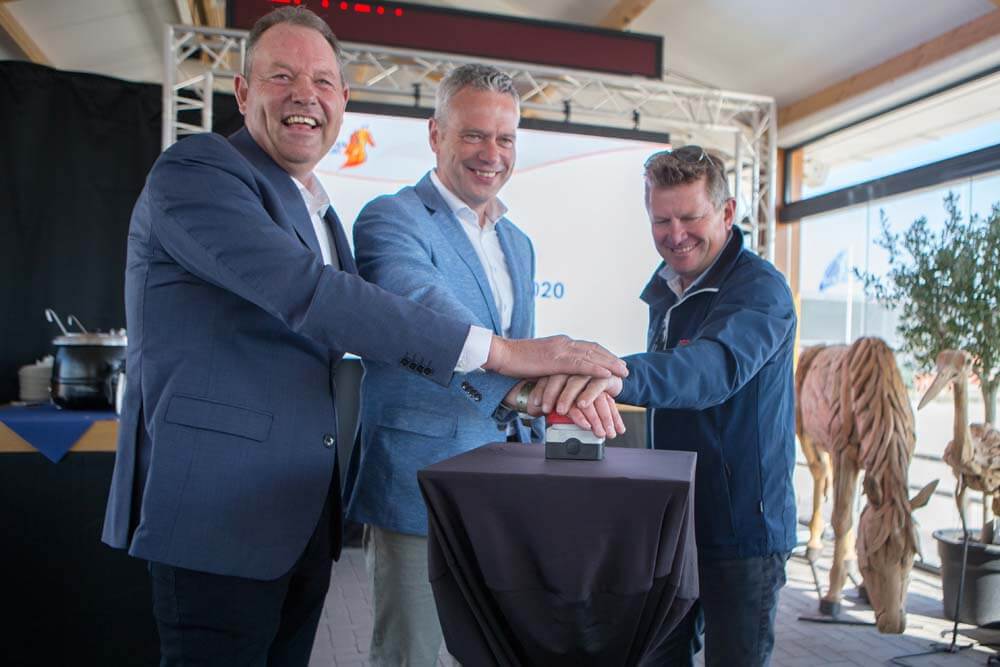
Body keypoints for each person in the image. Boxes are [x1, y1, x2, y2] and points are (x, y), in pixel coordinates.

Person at [100, 8, 626, 666]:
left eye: (323, 81)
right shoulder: (198, 171)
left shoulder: (318, 208)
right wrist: (512, 358)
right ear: (242, 91)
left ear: (344, 99)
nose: (305, 95)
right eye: (282, 76)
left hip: (302, 512)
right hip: (220, 514)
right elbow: (333, 297)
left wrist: (539, 394)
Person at [345, 63, 624, 666]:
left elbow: (525, 371)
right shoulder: (389, 217)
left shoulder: (518, 243)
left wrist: (557, 406)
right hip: (419, 485)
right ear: (435, 134)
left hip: (507, 491)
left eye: (505, 138)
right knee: (411, 656)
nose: (491, 154)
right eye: (473, 134)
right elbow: (423, 307)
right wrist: (523, 380)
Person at [535, 146, 796, 666]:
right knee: (656, 655)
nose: (675, 235)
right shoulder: (666, 290)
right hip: (676, 523)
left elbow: (709, 371)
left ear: (727, 212)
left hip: (744, 529)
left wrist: (612, 374)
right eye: (661, 220)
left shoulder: (760, 291)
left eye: (690, 217)